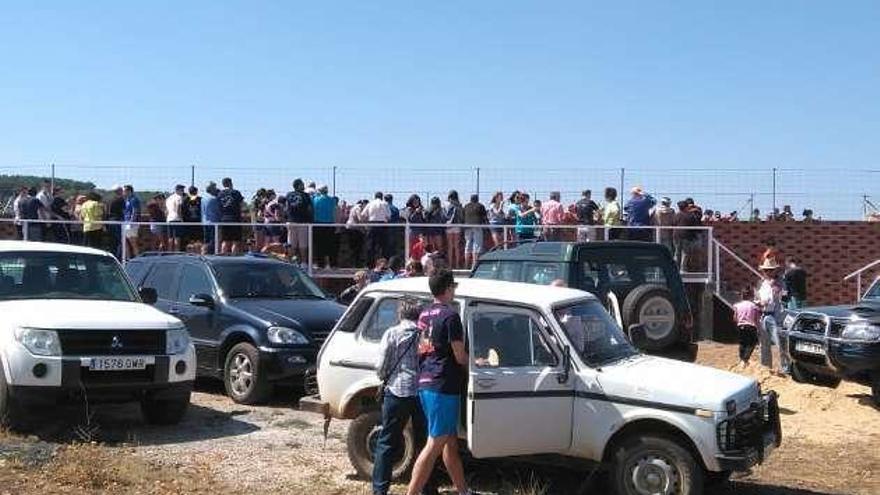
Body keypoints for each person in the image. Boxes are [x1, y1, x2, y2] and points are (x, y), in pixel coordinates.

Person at [406, 269, 471, 495]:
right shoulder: (451, 316)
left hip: (426, 381)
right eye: (453, 287)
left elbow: (422, 348)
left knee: (449, 442)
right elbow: (460, 356)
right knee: (435, 443)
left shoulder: (424, 314)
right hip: (443, 384)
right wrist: (476, 362)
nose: (454, 291)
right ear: (447, 289)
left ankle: (463, 490)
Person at [372, 298, 438, 495]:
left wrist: (385, 377)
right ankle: (426, 487)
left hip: (397, 392)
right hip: (421, 393)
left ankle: (380, 489)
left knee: (386, 442)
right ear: (418, 315)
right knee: (424, 442)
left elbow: (381, 366)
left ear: (400, 314)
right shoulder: (424, 335)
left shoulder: (392, 333)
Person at [757, 260, 788, 375]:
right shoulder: (761, 283)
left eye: (770, 270)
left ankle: (786, 368)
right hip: (764, 315)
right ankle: (766, 368)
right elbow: (758, 295)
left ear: (775, 270)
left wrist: (777, 289)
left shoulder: (780, 283)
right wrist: (759, 302)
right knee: (764, 345)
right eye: (766, 270)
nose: (768, 272)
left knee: (780, 343)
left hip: (776, 316)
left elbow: (785, 296)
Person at [286, 179, 314, 263]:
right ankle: (304, 262)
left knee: (291, 243)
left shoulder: (288, 195)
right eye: (302, 184)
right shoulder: (305, 195)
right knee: (303, 244)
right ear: (299, 185)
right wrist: (311, 219)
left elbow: (287, 207)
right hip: (303, 221)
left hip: (291, 221)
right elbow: (310, 209)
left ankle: (291, 262)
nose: (304, 185)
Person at [733, 288, 761, 369]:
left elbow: (735, 318)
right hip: (751, 326)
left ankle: (741, 359)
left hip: (740, 325)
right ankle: (745, 360)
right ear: (750, 296)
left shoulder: (737, 305)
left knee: (742, 343)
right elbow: (757, 319)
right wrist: (758, 328)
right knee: (752, 343)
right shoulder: (754, 306)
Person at [217, 178, 244, 254]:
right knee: (235, 241)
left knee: (225, 241)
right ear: (231, 183)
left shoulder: (220, 194)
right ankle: (234, 258)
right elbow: (241, 205)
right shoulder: (236, 193)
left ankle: (223, 258)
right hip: (235, 219)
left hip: (223, 219)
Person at [365, 192, 391, 265]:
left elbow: (363, 215)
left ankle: (370, 265)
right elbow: (389, 216)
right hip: (382, 224)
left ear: (374, 197)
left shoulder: (370, 204)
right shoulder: (385, 204)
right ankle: (383, 264)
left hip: (372, 224)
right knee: (383, 246)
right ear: (382, 197)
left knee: (370, 245)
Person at [673, 200, 700, 271]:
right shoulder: (690, 215)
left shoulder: (677, 215)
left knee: (677, 253)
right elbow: (695, 225)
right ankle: (683, 269)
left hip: (676, 236)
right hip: (686, 236)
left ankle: (675, 268)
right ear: (686, 207)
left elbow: (673, 223)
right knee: (685, 253)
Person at [462, 194, 487, 270]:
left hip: (467, 227)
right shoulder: (480, 206)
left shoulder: (466, 206)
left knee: (468, 245)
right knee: (477, 246)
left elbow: (463, 217)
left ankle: (466, 265)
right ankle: (474, 265)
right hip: (477, 226)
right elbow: (485, 218)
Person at [444, 191, 464, 269]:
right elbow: (461, 215)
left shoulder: (446, 204)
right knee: (457, 246)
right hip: (456, 226)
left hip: (448, 226)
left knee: (450, 246)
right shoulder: (458, 205)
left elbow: (444, 215)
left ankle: (450, 264)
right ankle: (457, 265)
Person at [201, 182, 221, 254]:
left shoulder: (203, 199)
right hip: (214, 222)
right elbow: (218, 211)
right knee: (214, 240)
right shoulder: (214, 199)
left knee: (206, 240)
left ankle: (204, 253)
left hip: (205, 222)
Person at [122, 185, 142, 258]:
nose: (123, 192)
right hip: (126, 222)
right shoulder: (127, 200)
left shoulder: (134, 199)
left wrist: (131, 222)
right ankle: (128, 259)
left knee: (133, 242)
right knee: (125, 242)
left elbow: (135, 211)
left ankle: (137, 259)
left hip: (131, 223)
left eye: (124, 191)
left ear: (129, 191)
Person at [106, 186, 125, 258]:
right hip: (117, 220)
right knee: (120, 240)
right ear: (120, 191)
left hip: (110, 221)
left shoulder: (110, 200)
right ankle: (119, 257)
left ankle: (112, 256)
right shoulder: (121, 200)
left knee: (112, 240)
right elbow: (124, 211)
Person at [165, 184, 186, 252]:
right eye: (182, 190)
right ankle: (177, 253)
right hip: (177, 219)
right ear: (178, 190)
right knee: (177, 238)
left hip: (169, 219)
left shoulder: (169, 198)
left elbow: (166, 211)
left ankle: (170, 253)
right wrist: (181, 218)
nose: (183, 191)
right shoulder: (179, 197)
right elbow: (178, 209)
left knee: (170, 238)